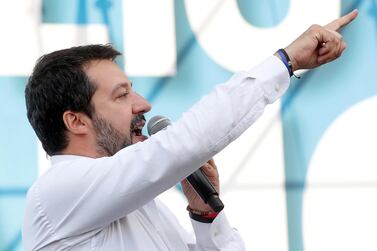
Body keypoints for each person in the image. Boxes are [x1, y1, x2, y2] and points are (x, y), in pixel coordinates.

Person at [22, 10, 358, 251]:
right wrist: (286, 61)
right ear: (76, 121)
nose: (143, 105)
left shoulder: (144, 210)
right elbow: (182, 144)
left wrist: (205, 214)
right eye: (122, 95)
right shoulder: (56, 193)